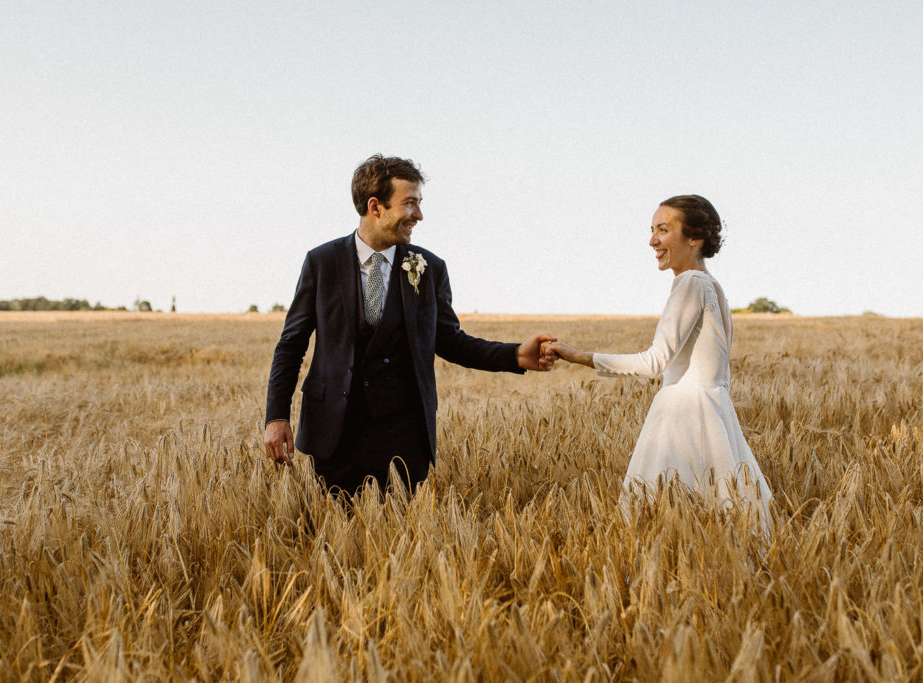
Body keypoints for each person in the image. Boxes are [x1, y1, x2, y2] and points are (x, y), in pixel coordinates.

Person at [264, 154, 556, 498]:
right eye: (410, 203)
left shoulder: (429, 267)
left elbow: (450, 341)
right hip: (334, 432)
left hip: (404, 436)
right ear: (376, 206)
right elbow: (291, 344)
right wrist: (276, 416)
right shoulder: (322, 262)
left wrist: (514, 355)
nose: (419, 215)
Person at [544, 195, 771, 524]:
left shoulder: (690, 282)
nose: (652, 240)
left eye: (663, 230)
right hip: (714, 412)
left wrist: (578, 356)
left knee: (665, 519)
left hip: (684, 416)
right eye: (652, 230)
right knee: (722, 518)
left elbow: (654, 362)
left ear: (694, 238)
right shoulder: (712, 286)